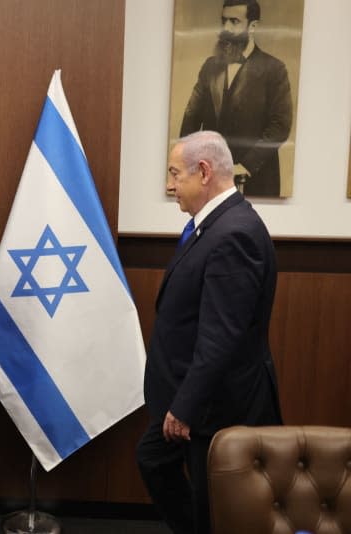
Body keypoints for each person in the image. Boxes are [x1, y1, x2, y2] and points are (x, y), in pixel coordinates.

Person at [136, 131, 282, 534]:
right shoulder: (213, 225)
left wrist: (185, 406)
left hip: (213, 406)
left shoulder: (234, 233)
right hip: (189, 397)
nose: (169, 186)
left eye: (174, 174)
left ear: (203, 172)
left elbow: (221, 336)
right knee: (154, 461)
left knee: (213, 507)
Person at [180, 0, 293, 197]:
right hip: (211, 183)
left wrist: (245, 166)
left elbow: (280, 127)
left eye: (234, 21)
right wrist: (187, 166)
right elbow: (191, 117)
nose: (226, 28)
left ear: (252, 26)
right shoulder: (210, 66)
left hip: (257, 182)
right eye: (223, 21)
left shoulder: (275, 69)